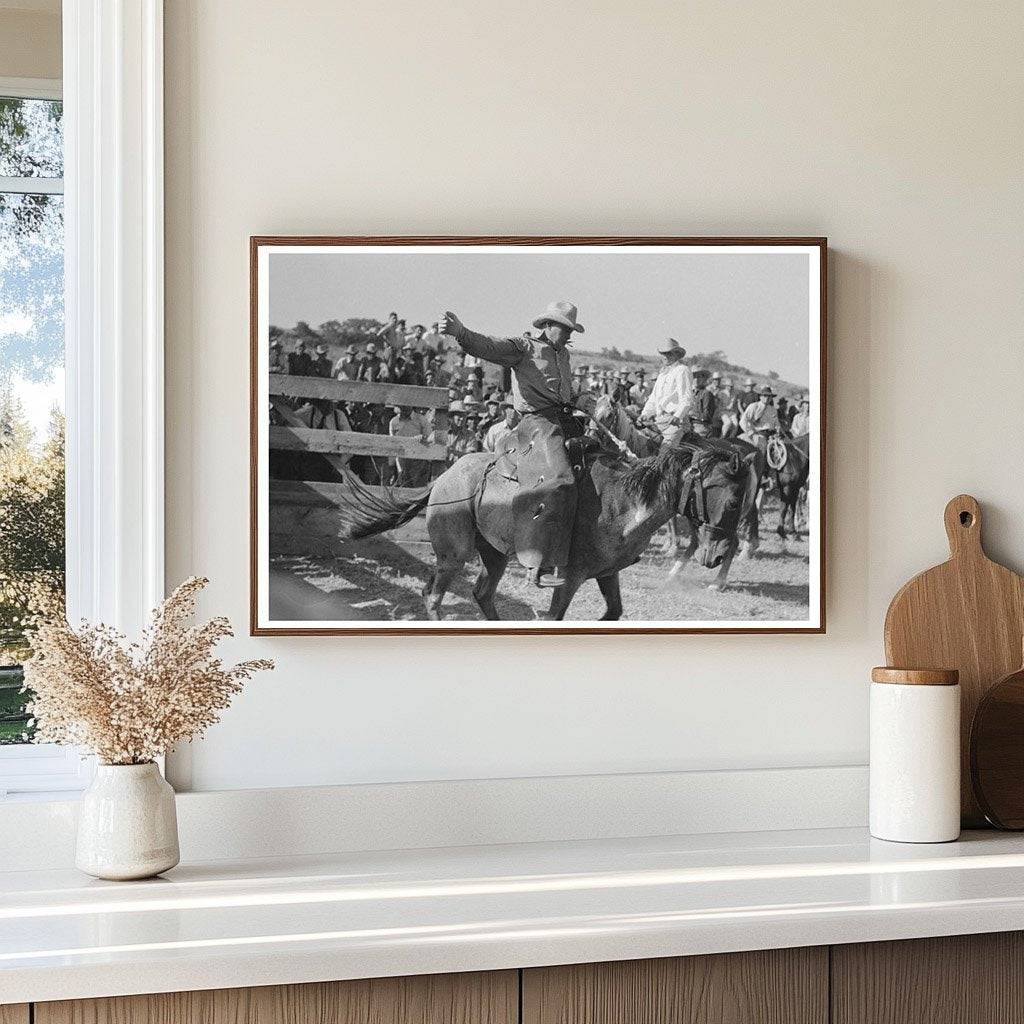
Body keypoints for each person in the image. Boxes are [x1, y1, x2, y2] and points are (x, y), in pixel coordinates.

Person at [439, 300, 593, 588]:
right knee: (559, 480)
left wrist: (579, 398)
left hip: (564, 421)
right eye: (566, 329)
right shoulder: (523, 348)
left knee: (596, 462)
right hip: (537, 424)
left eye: (572, 330)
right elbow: (487, 345)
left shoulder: (563, 355)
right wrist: (460, 332)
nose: (570, 335)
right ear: (549, 326)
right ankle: (540, 562)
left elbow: (564, 392)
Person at [639, 338, 694, 444]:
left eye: (669, 353)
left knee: (666, 452)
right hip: (659, 420)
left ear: (676, 354)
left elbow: (687, 398)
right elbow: (653, 399)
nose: (665, 356)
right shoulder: (662, 374)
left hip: (675, 422)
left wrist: (678, 416)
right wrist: (645, 414)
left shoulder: (682, 370)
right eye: (663, 353)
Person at [388, 405, 430, 485]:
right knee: (403, 485)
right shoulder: (394, 422)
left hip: (418, 460)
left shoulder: (421, 419)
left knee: (418, 487)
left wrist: (422, 438)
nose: (404, 407)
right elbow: (392, 443)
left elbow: (430, 437)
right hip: (401, 460)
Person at [689, 368, 717, 437]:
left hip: (700, 425)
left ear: (704, 379)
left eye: (699, 377)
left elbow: (707, 415)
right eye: (694, 377)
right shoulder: (691, 393)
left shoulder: (706, 394)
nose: (696, 379)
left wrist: (691, 414)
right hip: (689, 424)